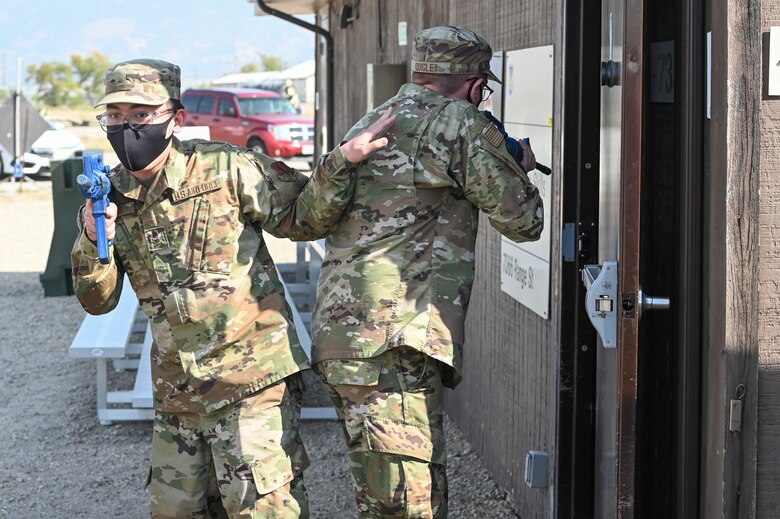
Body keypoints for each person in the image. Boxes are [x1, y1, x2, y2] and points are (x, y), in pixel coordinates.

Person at [70, 58, 393, 519]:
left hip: (251, 383)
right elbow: (97, 301)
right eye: (116, 117)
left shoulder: (225, 169)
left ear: (176, 118)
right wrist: (92, 236)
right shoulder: (110, 196)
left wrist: (341, 163)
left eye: (141, 115)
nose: (127, 128)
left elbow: (302, 217)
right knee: (175, 511)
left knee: (261, 511)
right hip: (179, 396)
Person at [310, 26, 544, 518]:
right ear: (476, 83)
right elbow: (525, 221)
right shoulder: (459, 122)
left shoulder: (374, 119)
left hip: (346, 333)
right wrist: (516, 163)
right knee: (408, 505)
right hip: (394, 340)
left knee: (384, 495)